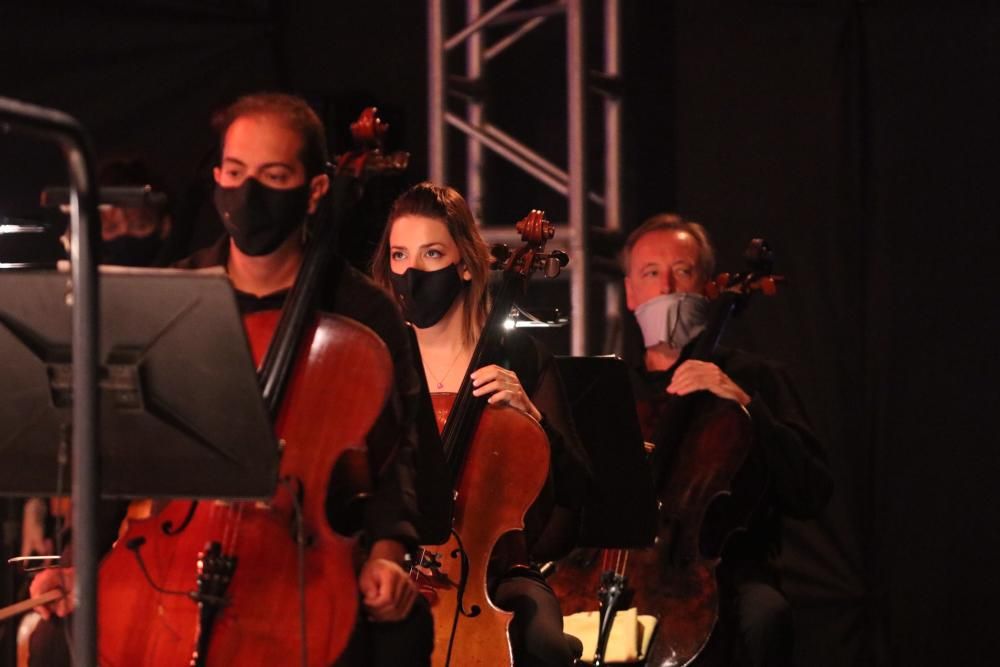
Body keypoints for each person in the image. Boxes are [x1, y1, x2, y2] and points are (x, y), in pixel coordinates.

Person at [28, 92, 433, 666]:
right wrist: (77, 560)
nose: (249, 192)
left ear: (315, 189)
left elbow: (399, 461)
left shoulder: (363, 315)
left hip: (301, 555)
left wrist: (389, 555)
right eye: (236, 172)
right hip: (174, 548)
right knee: (55, 641)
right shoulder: (173, 298)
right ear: (216, 176)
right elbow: (117, 450)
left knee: (400, 634)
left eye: (273, 175)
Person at [370, 182, 591, 667]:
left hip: (493, 572)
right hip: (392, 566)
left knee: (544, 645)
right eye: (399, 255)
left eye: (431, 253)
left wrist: (532, 418)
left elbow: (580, 492)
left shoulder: (520, 358)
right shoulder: (379, 361)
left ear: (465, 264)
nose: (412, 272)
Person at [622, 213, 833, 666]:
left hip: (724, 572)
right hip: (618, 570)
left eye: (683, 271)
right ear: (630, 292)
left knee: (764, 616)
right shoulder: (615, 389)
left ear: (709, 286)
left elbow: (811, 491)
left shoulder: (754, 378)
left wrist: (743, 403)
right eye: (651, 273)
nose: (666, 288)